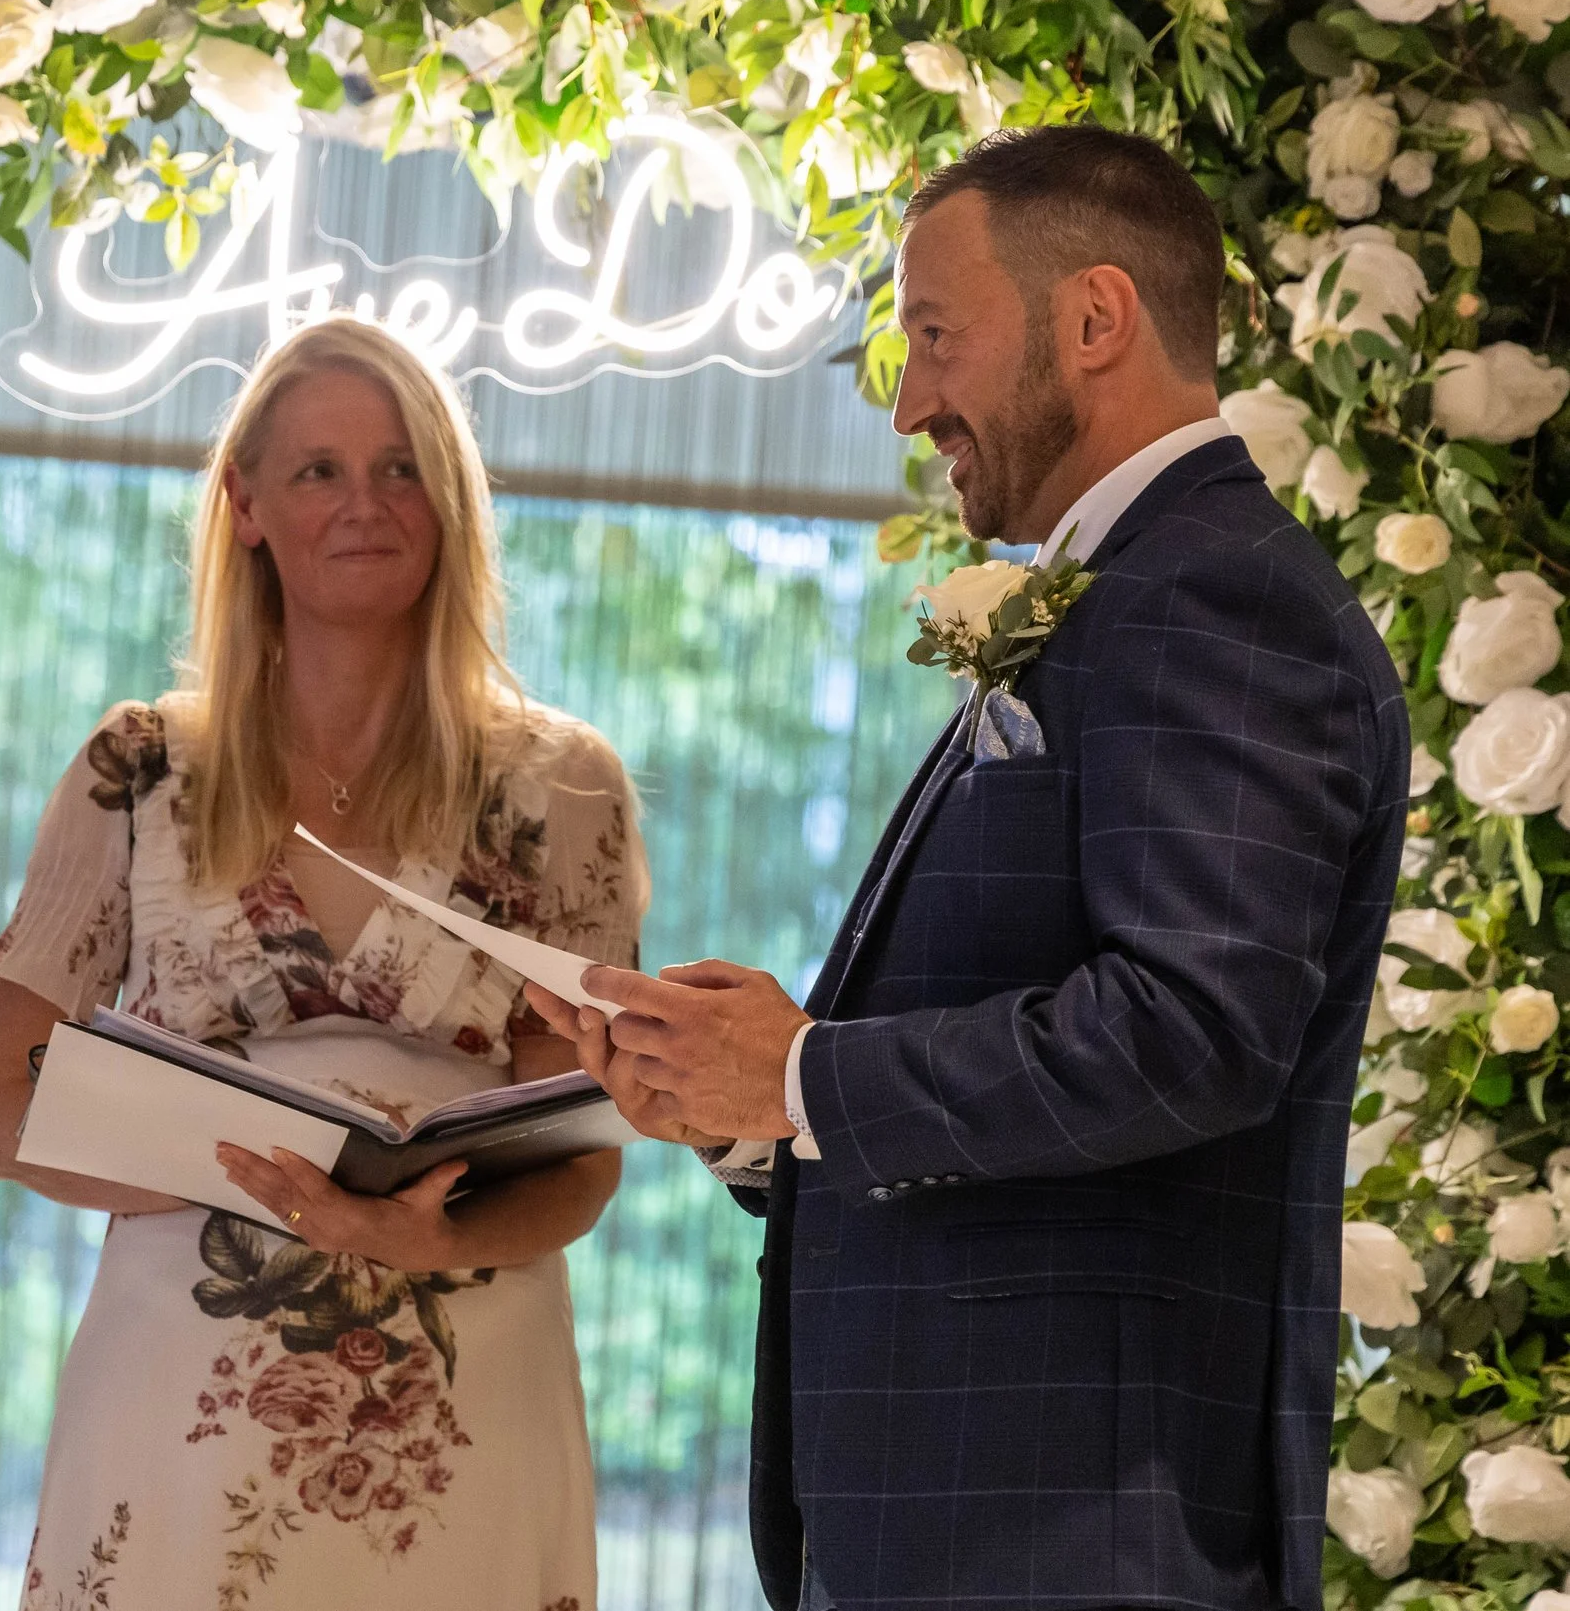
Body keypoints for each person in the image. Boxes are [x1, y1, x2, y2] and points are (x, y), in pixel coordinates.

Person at [537, 125, 1409, 1610]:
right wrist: (745, 1109)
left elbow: (1193, 1035)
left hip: (1075, 1533)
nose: (906, 402)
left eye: (935, 336)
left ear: (1095, 319)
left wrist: (811, 1078)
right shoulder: (1132, 592)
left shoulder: (1214, 595)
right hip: (975, 1526)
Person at [0, 316, 643, 1611]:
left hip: (466, 1382)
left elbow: (582, 1159)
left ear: (449, 500)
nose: (365, 504)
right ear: (248, 503)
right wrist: (244, 1179)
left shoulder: (565, 786)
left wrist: (412, 1240)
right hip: (181, 1392)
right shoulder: (138, 765)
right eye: (319, 470)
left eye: (400, 469)